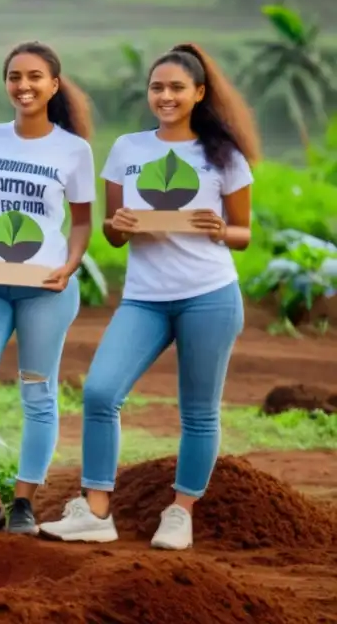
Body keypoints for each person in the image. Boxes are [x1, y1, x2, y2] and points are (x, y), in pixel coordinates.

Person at [38, 43, 261, 551]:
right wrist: (120, 226)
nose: (165, 96)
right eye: (157, 87)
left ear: (198, 94)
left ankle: (180, 513)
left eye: (177, 88)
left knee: (199, 411)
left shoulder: (221, 155)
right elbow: (114, 233)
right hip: (144, 298)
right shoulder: (128, 150)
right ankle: (96, 511)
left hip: (209, 293)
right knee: (100, 392)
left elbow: (245, 231)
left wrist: (220, 230)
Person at [0, 42, 95, 536]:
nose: (23, 85)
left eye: (35, 77)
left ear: (54, 84)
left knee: (38, 394)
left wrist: (70, 266)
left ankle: (25, 502)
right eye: (14, 76)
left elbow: (81, 223)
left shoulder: (74, 150)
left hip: (44, 292)